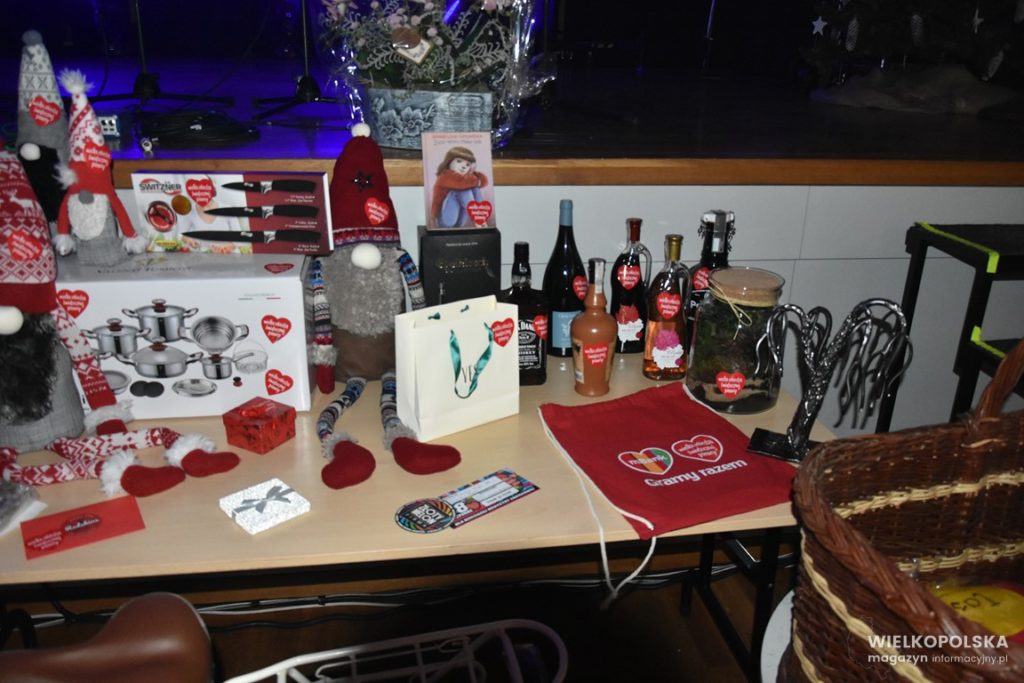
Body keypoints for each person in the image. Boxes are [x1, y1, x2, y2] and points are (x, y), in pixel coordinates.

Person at [430, 146, 489, 228]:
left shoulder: (466, 178)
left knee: (474, 188)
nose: (463, 166)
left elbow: (479, 182)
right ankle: (477, 217)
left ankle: (480, 217)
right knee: (461, 190)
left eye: (467, 165)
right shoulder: (445, 175)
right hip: (444, 221)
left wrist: (476, 175)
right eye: (459, 161)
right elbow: (462, 182)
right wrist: (478, 179)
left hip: (459, 222)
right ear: (449, 162)